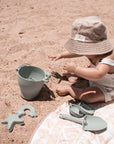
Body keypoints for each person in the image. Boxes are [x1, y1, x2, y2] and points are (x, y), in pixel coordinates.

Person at [49, 16, 114, 103]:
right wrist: (62, 55)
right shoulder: (93, 51)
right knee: (88, 69)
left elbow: (98, 74)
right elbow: (78, 52)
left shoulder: (105, 59)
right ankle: (77, 75)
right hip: (95, 78)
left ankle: (70, 89)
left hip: (108, 87)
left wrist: (76, 69)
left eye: (84, 48)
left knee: (89, 97)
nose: (82, 52)